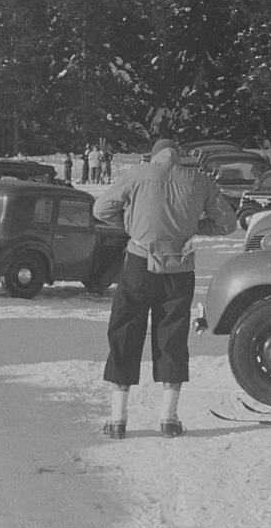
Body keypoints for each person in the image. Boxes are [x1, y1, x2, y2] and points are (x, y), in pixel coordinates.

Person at [94, 139, 236, 439]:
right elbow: (227, 224)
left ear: (155, 157)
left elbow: (101, 208)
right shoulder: (199, 180)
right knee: (172, 337)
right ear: (179, 158)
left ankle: (118, 420)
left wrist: (131, 224)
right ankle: (169, 419)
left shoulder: (137, 175)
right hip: (179, 268)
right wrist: (195, 227)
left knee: (125, 331)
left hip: (139, 262)